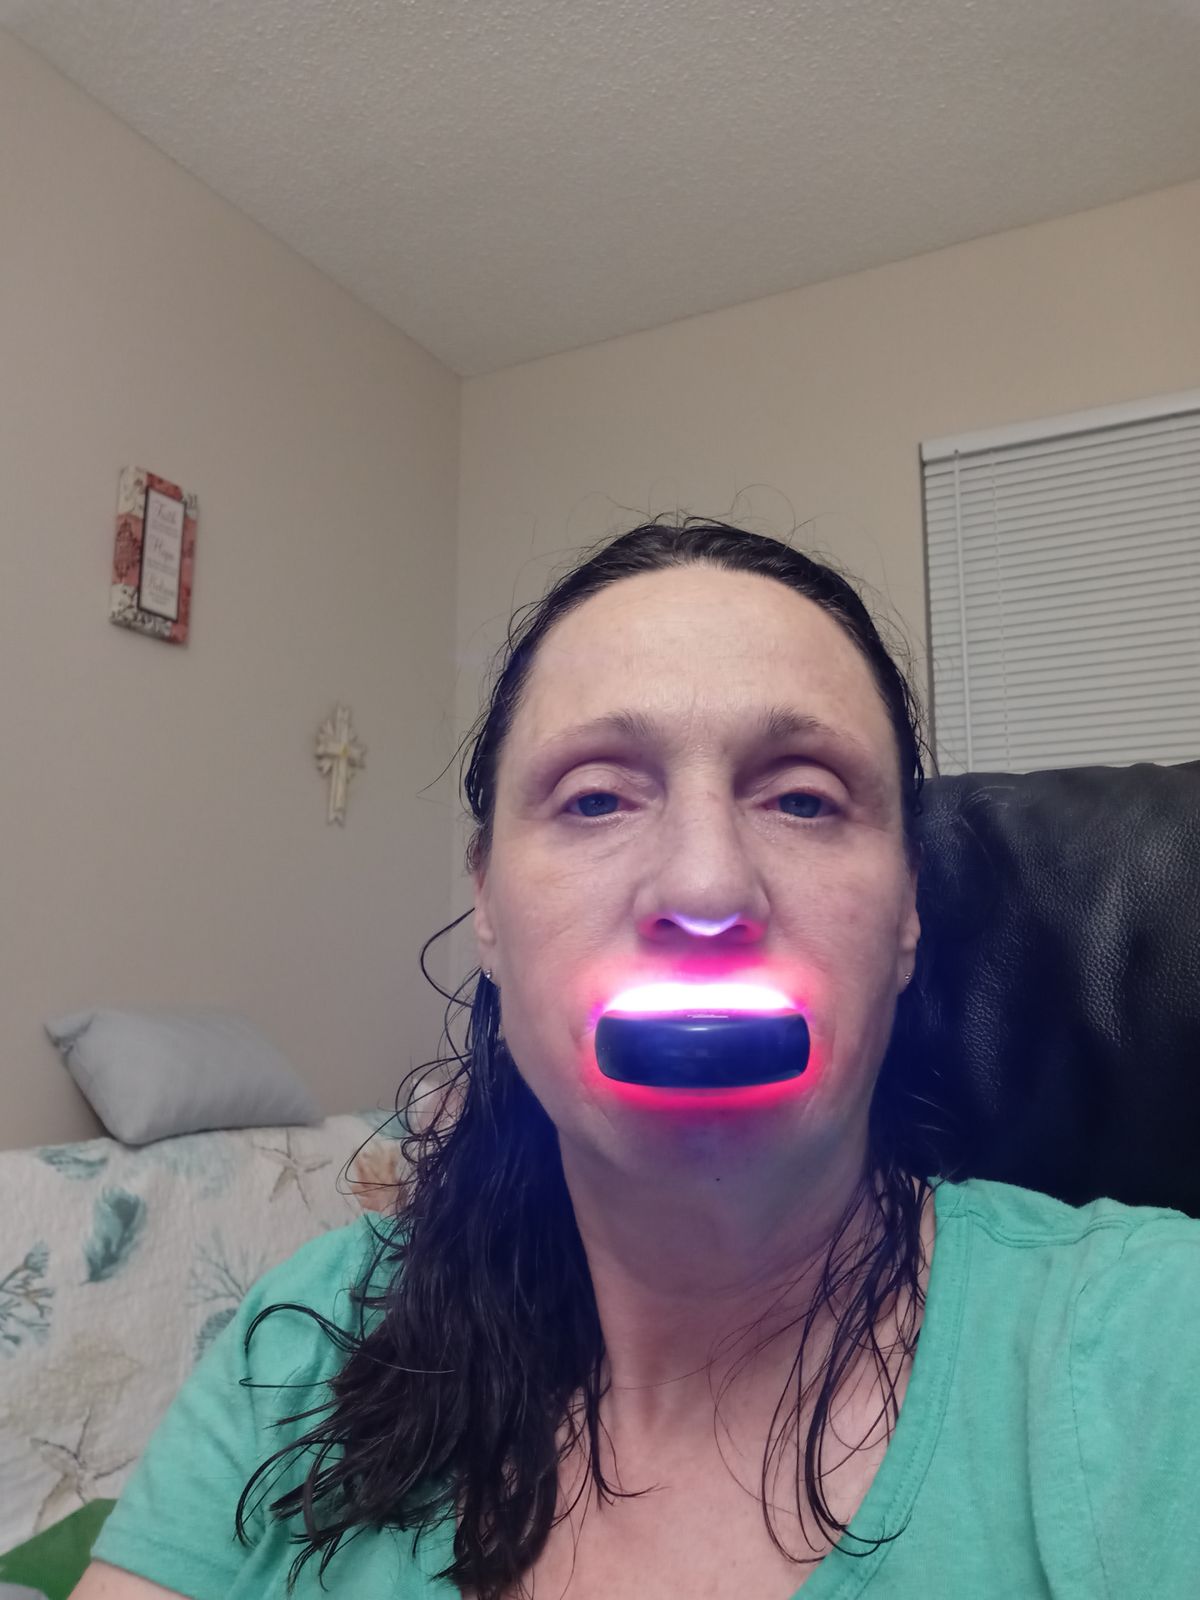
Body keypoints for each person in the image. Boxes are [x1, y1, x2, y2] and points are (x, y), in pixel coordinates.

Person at [73, 518, 1200, 1600]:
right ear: (487, 907)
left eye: (803, 798)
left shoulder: (1153, 1340)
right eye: (597, 798)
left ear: (908, 912)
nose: (706, 888)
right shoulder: (309, 1342)